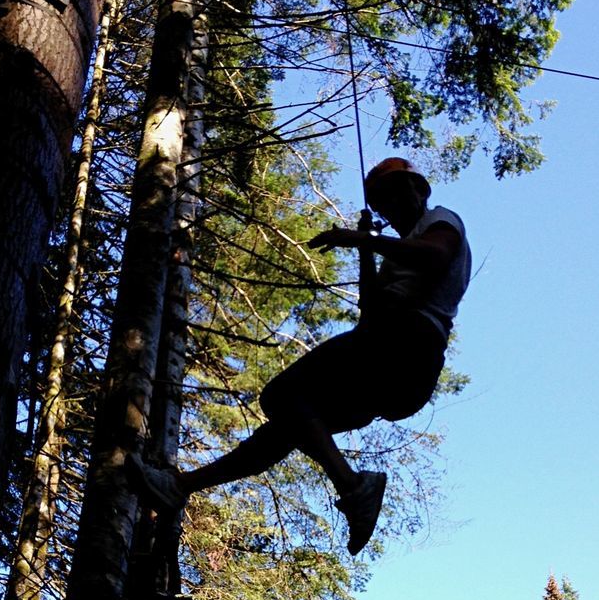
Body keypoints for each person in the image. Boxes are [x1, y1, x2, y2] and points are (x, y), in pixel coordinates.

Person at [130, 157, 471, 555]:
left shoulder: (440, 221)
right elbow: (371, 306)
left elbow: (435, 256)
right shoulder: (401, 249)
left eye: (397, 194)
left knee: (281, 397)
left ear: (420, 190)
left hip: (404, 344)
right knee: (288, 426)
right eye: (382, 201)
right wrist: (365, 248)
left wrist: (364, 241)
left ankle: (353, 485)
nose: (390, 206)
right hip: (399, 361)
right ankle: (178, 487)